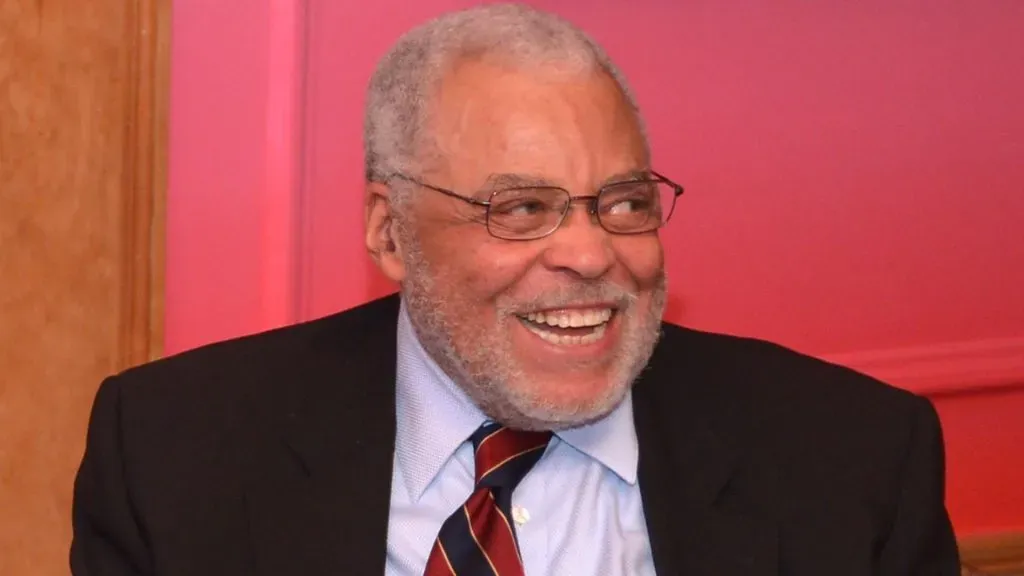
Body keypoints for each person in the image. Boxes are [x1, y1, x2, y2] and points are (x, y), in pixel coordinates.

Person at [70, 4, 960, 575]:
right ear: (389, 231)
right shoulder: (170, 456)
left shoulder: (858, 462)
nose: (589, 252)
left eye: (623, 202)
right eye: (522, 208)